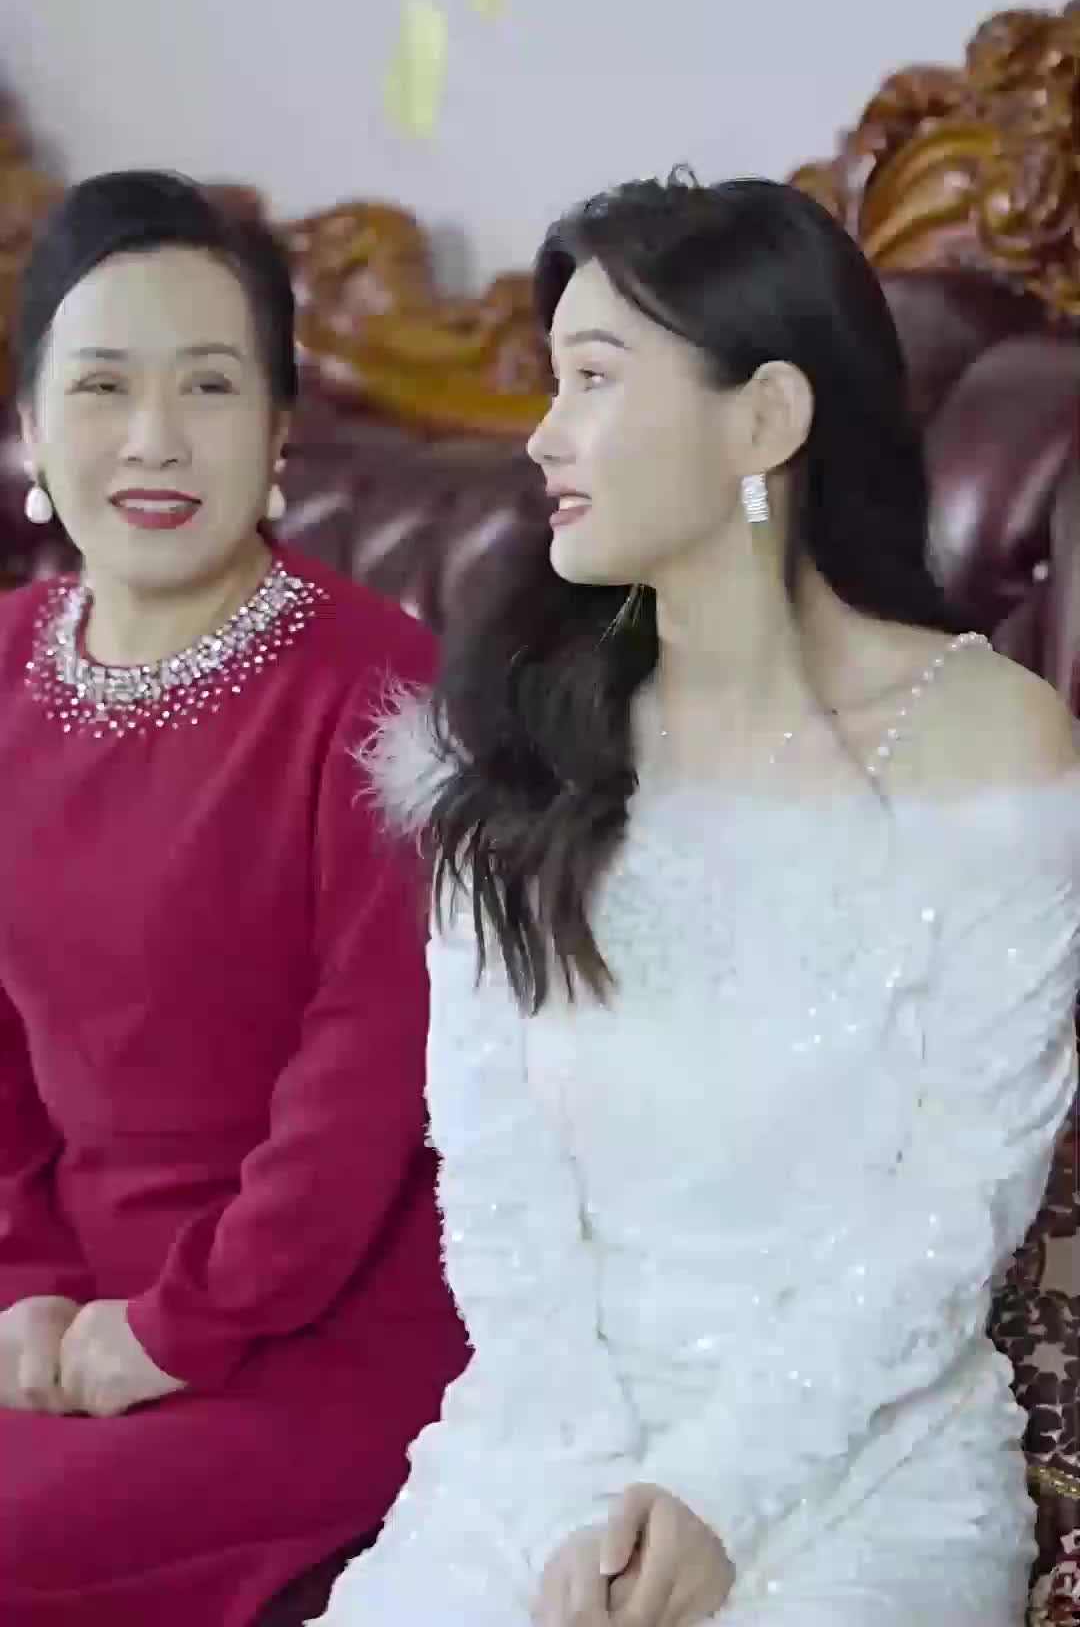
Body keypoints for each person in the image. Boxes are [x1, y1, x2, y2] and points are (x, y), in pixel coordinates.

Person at [322, 174, 1080, 1627]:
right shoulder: (514, 742)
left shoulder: (994, 750)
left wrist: (716, 1494)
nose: (543, 435)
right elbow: (493, 1180)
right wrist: (585, 1493)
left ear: (765, 419)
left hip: (861, 1475)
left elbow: (960, 1197)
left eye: (595, 379)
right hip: (542, 1450)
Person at [0, 171, 468, 1627]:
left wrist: (174, 1329)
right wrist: (25, 1283)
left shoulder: (380, 690)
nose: (153, 437)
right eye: (101, 385)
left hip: (312, 1325)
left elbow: (364, 1089)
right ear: (31, 424)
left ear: (278, 431)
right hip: (62, 1304)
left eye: (208, 384)